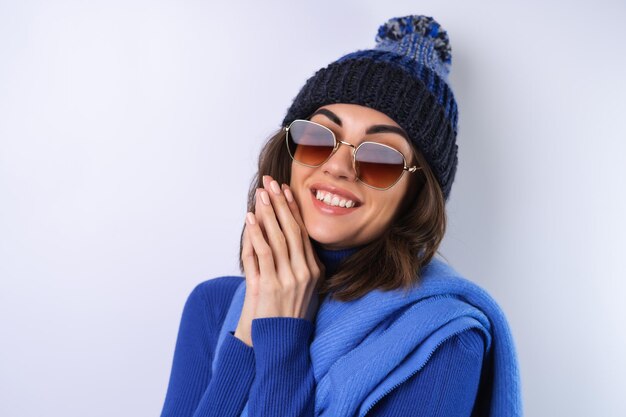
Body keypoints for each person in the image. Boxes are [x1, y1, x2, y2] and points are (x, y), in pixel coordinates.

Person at [159, 15, 522, 417]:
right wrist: (249, 327)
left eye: (380, 156)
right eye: (318, 138)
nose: (338, 167)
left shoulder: (441, 340)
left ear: (415, 194)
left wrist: (282, 336)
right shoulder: (212, 306)